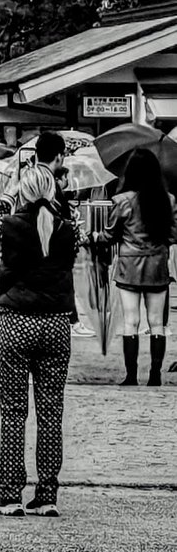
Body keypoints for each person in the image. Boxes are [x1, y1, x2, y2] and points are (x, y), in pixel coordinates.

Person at [0, 158, 77, 514]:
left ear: (24, 190)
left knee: (13, 411)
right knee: (51, 413)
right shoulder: (70, 228)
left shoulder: (8, 225)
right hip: (56, 322)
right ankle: (47, 494)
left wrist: (8, 199)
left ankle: (10, 493)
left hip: (17, 320)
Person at [108, 148, 172, 387]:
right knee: (157, 322)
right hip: (157, 265)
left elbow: (110, 235)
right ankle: (155, 375)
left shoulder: (122, 201)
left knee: (130, 321)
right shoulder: (168, 200)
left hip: (129, 266)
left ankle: (131, 375)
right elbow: (173, 235)